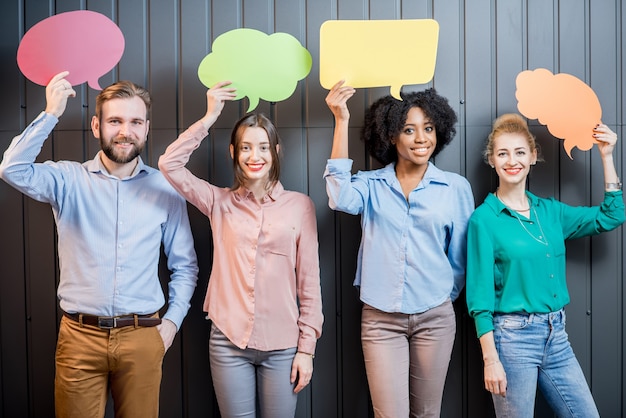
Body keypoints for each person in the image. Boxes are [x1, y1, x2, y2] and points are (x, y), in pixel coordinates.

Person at [0, 71, 199, 418]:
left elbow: (185, 265)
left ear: (147, 128)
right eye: (115, 121)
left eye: (136, 121)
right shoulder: (67, 179)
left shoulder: (166, 189)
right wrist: (51, 113)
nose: (125, 131)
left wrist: (171, 324)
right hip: (79, 337)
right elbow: (12, 169)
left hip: (143, 337)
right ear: (96, 126)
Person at [157, 80, 323, 418]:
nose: (255, 156)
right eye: (246, 147)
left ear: (275, 151)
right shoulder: (218, 202)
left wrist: (307, 349)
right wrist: (209, 117)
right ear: (234, 153)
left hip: (283, 346)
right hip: (228, 343)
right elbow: (168, 165)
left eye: (263, 147)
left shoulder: (299, 206)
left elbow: (309, 284)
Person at [323, 81, 475, 417]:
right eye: (409, 129)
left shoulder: (455, 188)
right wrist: (341, 119)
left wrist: (440, 295)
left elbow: (461, 257)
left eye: (429, 128)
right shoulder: (370, 184)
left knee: (427, 414)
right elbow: (338, 197)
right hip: (380, 319)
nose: (421, 138)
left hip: (435, 317)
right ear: (391, 135)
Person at [466, 113, 624, 417]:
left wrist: (607, 155)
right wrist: (491, 359)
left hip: (556, 335)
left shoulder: (550, 212)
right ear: (492, 161)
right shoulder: (483, 220)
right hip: (512, 340)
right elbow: (480, 299)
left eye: (520, 152)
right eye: (503, 153)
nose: (512, 161)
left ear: (533, 156)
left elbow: (611, 215)